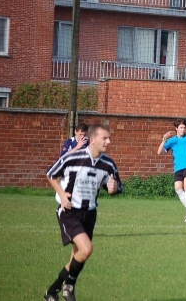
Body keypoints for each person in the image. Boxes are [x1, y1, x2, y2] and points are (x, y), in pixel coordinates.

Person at [44, 124, 123, 301]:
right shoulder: (73, 158)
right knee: (86, 249)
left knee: (76, 257)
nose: (109, 142)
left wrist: (113, 188)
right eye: (105, 138)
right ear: (93, 139)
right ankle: (69, 286)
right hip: (69, 211)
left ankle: (51, 292)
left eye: (109, 138)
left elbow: (115, 187)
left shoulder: (108, 163)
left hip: (89, 214)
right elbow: (51, 174)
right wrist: (62, 194)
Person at [157, 118, 186, 222]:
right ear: (176, 128)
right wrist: (164, 139)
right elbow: (160, 152)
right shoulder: (172, 141)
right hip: (178, 167)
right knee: (178, 189)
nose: (183, 129)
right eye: (181, 127)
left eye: (184, 127)